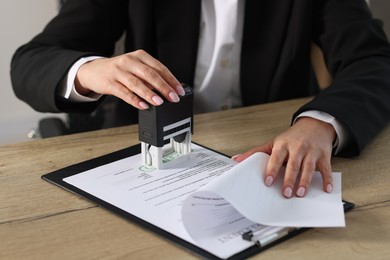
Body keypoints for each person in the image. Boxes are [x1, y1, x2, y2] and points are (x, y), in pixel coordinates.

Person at [11, 0, 390, 199]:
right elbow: (30, 61)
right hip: (148, 169)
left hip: (267, 157)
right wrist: (89, 71)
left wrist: (321, 122)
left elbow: (375, 60)